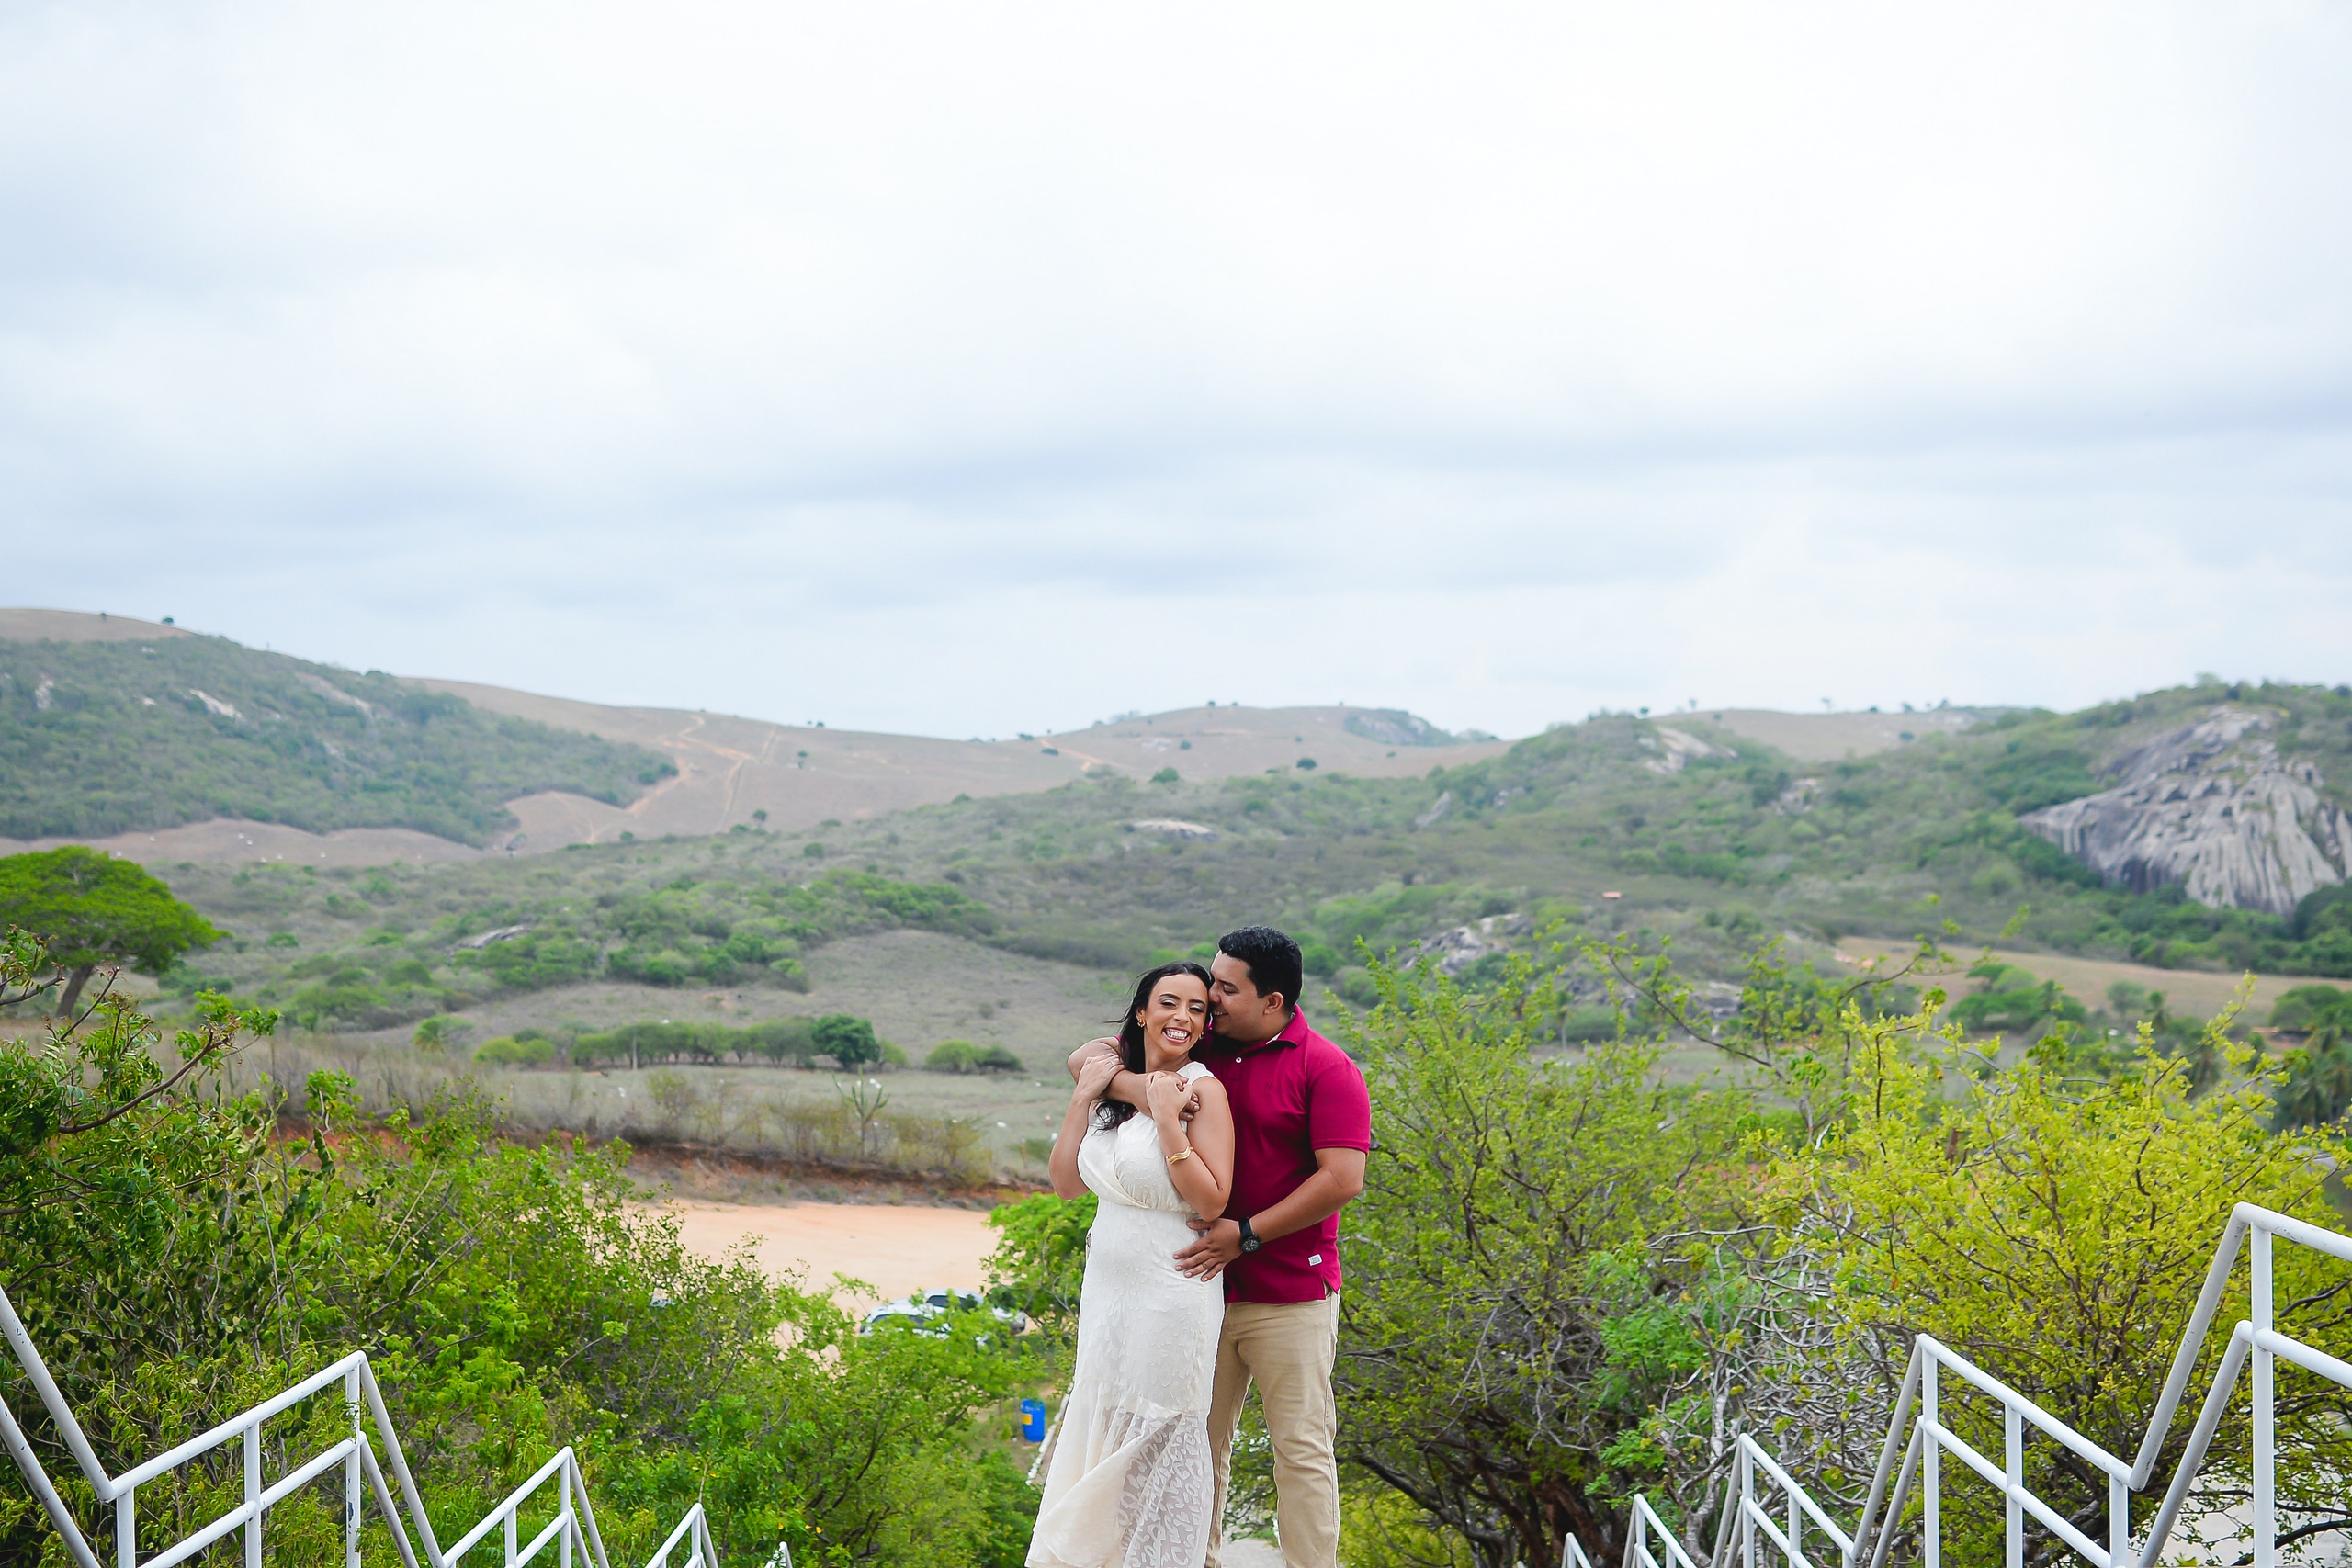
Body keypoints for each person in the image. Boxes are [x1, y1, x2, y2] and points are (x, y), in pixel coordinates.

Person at [1072, 927, 1370, 1568]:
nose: (1210, 997)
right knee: (1195, 1443)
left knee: (1301, 1448)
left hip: (1288, 1291)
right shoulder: (1205, 1040)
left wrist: (1249, 1232)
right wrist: (1147, 1093)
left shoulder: (1327, 1067)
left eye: (1226, 988)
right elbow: (1085, 1059)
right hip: (1195, 1288)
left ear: (1273, 1000)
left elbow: (1343, 1179)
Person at [1028, 961, 1238, 1568]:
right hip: (1109, 1290)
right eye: (1169, 1002)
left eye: (1197, 1008)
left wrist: (1169, 1121)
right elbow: (1066, 1183)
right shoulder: (1110, 1080)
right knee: (1107, 1421)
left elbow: (1212, 1201)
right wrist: (1085, 1096)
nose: (1182, 1017)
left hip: (1173, 1290)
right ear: (1142, 1012)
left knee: (1159, 1435)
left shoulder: (1204, 1091)